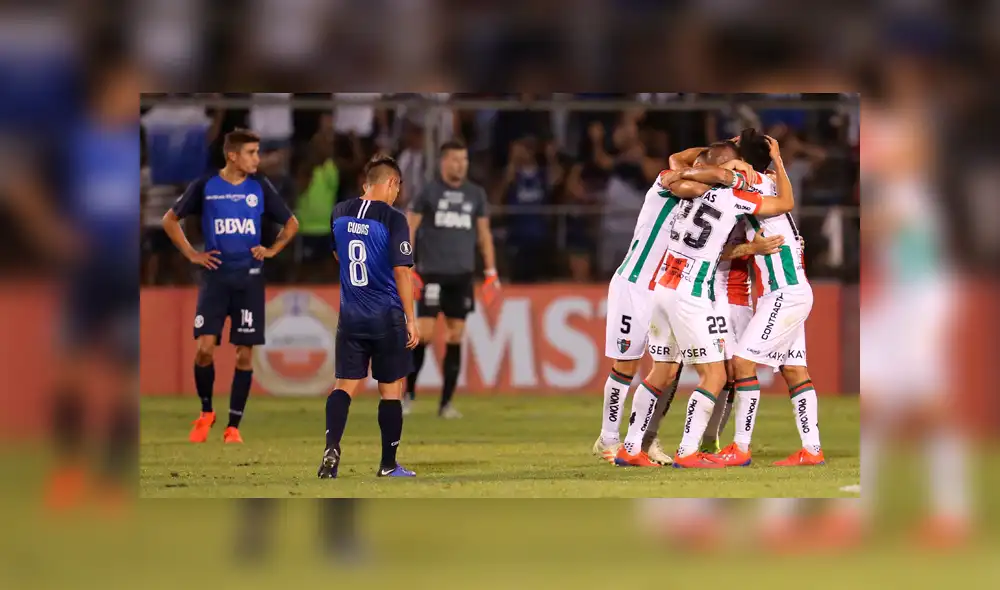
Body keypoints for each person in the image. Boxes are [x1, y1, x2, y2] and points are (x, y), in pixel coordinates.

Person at [644, 136, 795, 469]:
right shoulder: (736, 188)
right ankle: (662, 442)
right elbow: (720, 248)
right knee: (699, 371)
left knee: (722, 372)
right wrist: (750, 249)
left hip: (720, 289)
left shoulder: (694, 184)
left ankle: (706, 441)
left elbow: (676, 161)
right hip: (704, 286)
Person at [162, 129, 299, 444]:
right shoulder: (206, 186)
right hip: (215, 279)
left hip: (249, 280)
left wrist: (272, 250)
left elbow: (291, 223)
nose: (257, 158)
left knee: (244, 356)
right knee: (204, 350)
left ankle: (233, 426)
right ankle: (207, 411)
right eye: (251, 152)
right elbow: (170, 220)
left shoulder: (260, 186)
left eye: (258, 151)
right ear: (232, 155)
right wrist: (193, 254)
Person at [708, 132, 825, 467]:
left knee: (743, 363)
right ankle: (812, 449)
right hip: (792, 291)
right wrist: (777, 159)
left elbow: (715, 164)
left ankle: (740, 448)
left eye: (734, 141)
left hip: (785, 293)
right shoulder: (771, 181)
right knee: (794, 370)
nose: (728, 143)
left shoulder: (752, 181)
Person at [317, 155, 419, 479]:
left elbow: (337, 254)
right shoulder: (393, 218)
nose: (397, 195)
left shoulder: (339, 211)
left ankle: (331, 448)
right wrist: (411, 319)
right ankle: (388, 464)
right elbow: (402, 273)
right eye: (397, 188)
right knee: (391, 389)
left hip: (350, 315)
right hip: (385, 315)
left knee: (344, 386)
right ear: (390, 183)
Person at [404, 141, 501, 418]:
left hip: (462, 275)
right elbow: (409, 227)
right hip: (431, 273)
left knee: (456, 335)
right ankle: (408, 395)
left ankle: (445, 404)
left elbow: (484, 235)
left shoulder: (475, 194)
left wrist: (490, 271)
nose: (461, 165)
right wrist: (407, 265)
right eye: (456, 159)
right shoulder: (429, 192)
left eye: (464, 159)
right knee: (423, 334)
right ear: (444, 162)